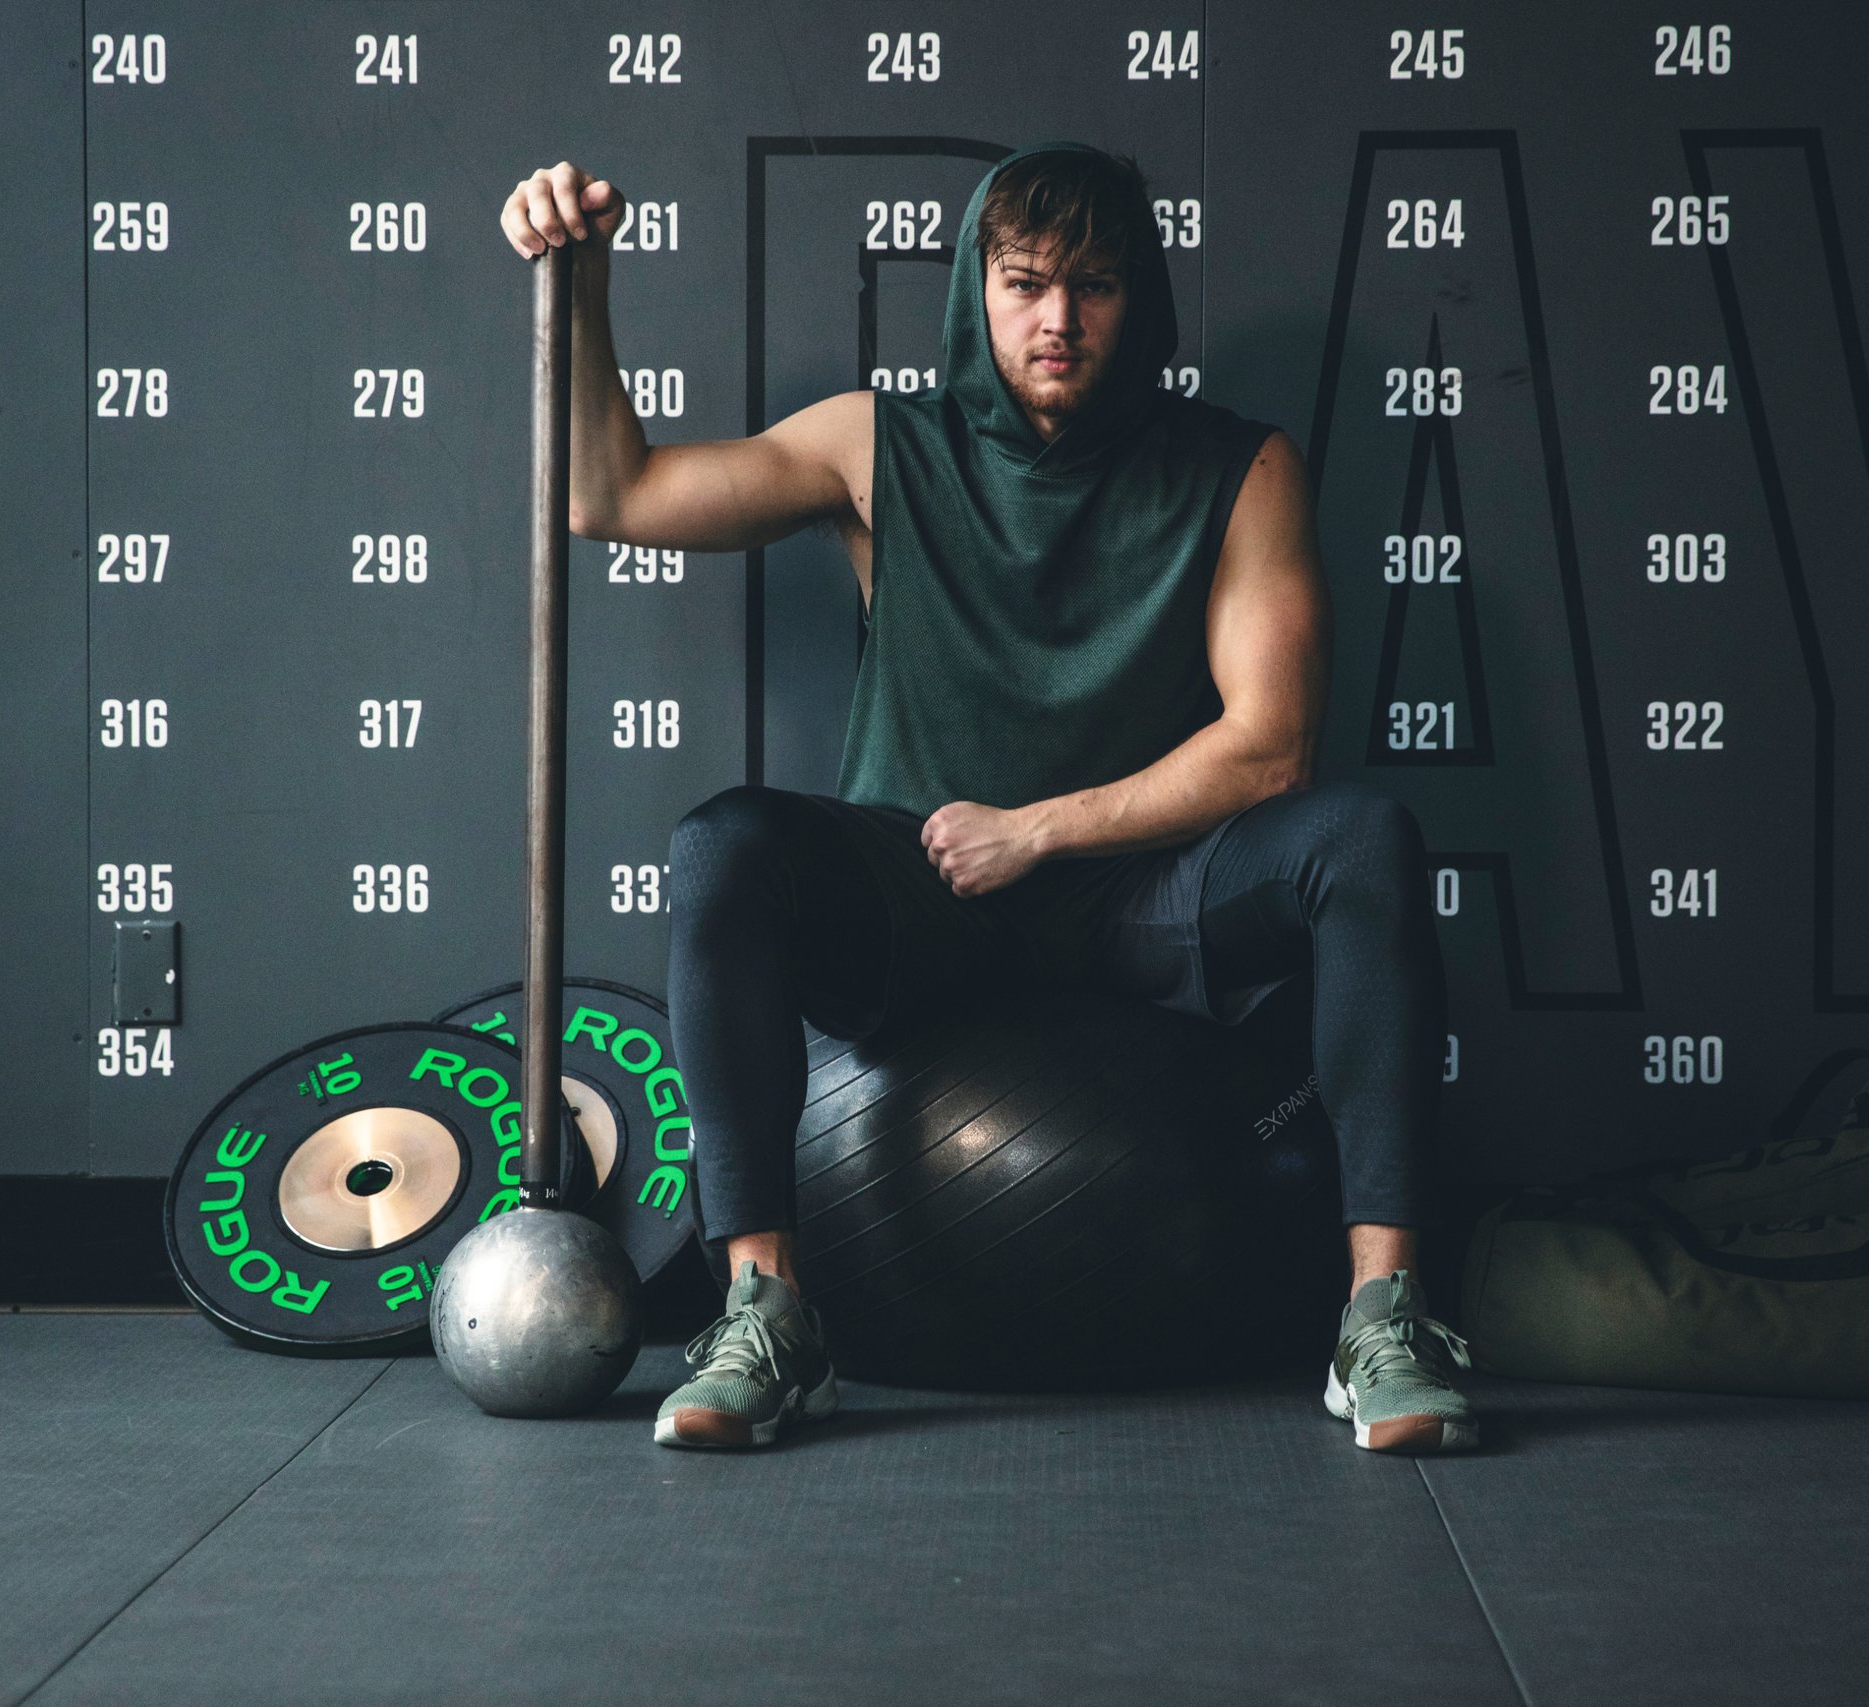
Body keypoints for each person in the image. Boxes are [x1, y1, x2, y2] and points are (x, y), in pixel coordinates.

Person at [495, 142, 1474, 1455]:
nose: (1058, 320)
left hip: (1145, 893)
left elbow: (1271, 749)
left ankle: (1384, 1319)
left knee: (1360, 836)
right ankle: (767, 1311)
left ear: (1141, 302)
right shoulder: (876, 446)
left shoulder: (1240, 469)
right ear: (978, 288)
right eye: (1025, 284)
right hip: (924, 891)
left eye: (1094, 287)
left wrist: (1042, 828)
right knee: (724, 846)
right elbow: (608, 495)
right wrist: (584, 281)